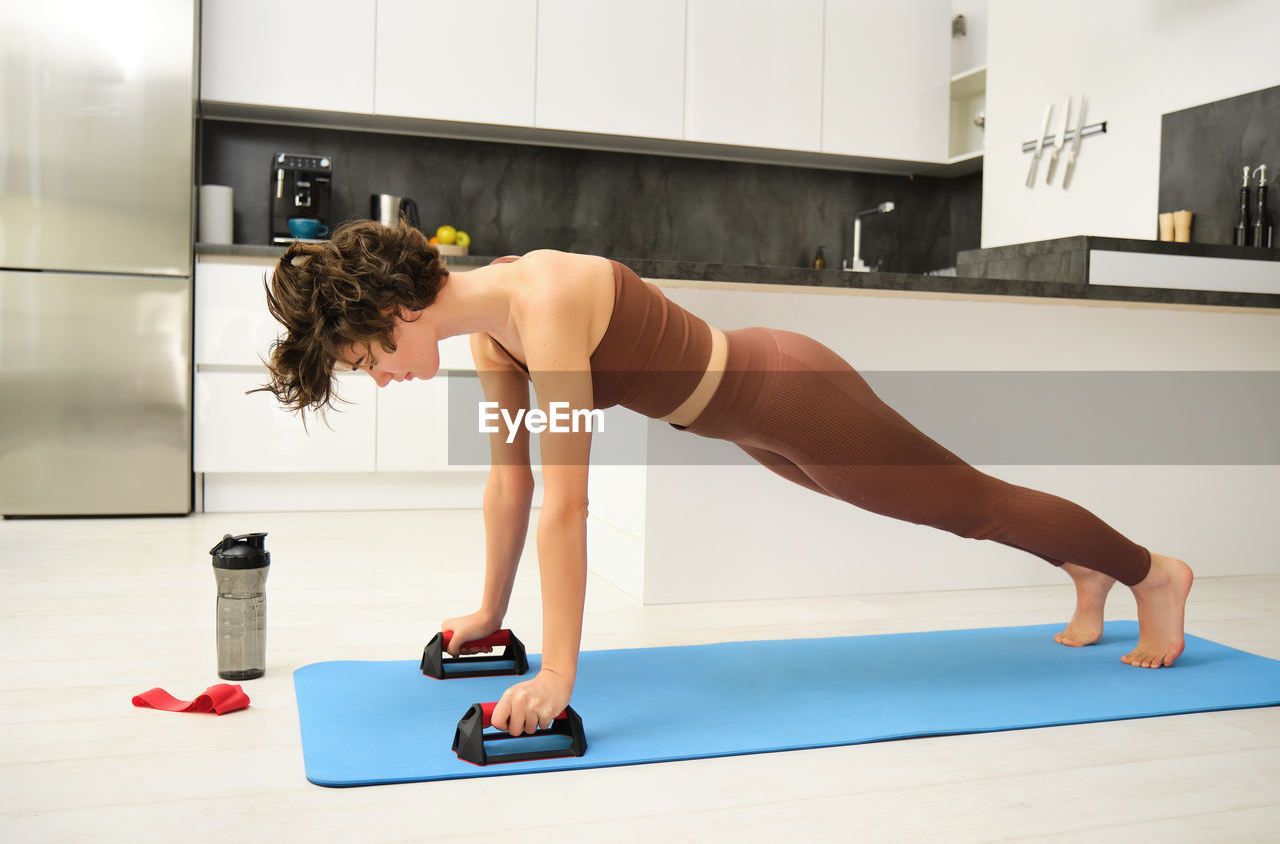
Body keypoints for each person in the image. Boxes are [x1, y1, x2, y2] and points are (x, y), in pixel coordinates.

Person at [259, 220, 1195, 738]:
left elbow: (568, 502)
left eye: (366, 356)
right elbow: (511, 483)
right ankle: (1087, 567)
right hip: (751, 424)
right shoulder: (491, 335)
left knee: (970, 508)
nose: (379, 374)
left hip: (791, 394)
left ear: (397, 308)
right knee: (963, 510)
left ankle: (1151, 571)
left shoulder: (540, 306)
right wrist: (489, 612)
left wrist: (558, 673)